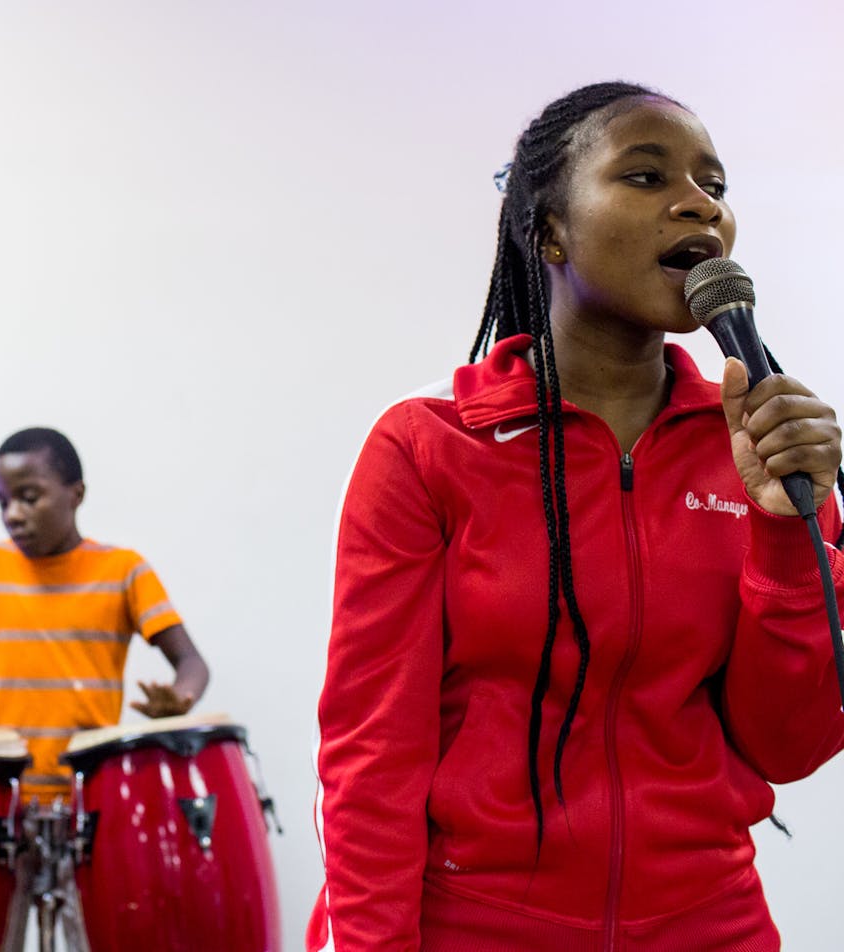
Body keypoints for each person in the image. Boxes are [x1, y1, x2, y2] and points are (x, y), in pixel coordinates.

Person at [310, 82, 844, 951]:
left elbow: (787, 745)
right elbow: (373, 758)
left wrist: (787, 529)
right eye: (644, 176)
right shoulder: (429, 447)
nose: (697, 202)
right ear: (549, 230)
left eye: (715, 184)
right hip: (475, 925)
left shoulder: (755, 448)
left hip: (710, 922)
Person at [0, 425, 210, 800]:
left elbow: (192, 663)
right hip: (2, 795)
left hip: (92, 796)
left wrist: (181, 698)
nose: (13, 514)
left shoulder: (124, 570)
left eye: (29, 497)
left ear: (76, 494)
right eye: (3, 501)